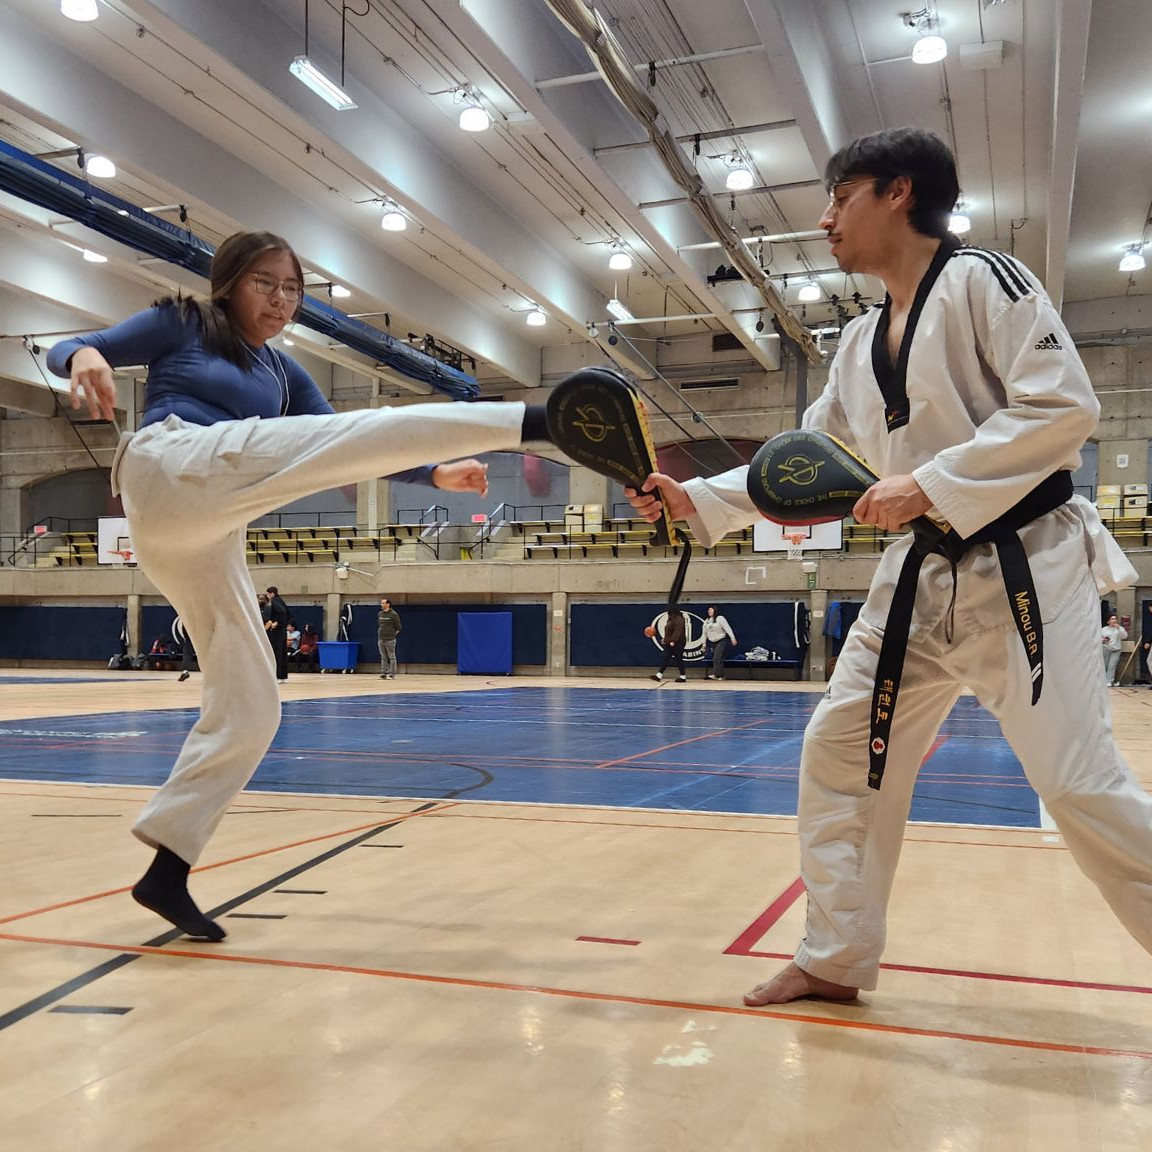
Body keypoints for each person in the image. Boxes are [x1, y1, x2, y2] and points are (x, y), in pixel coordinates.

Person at [625, 128, 1152, 1005]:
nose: (825, 217)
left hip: (1023, 563)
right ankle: (835, 955)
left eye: (840, 196)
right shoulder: (859, 340)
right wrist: (701, 500)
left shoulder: (988, 281)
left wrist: (933, 481)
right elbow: (809, 460)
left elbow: (1065, 407)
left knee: (1076, 784)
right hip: (916, 579)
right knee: (839, 755)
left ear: (898, 192)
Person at [49, 228, 555, 941]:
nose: (282, 300)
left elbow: (335, 439)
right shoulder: (184, 323)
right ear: (230, 282)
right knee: (336, 437)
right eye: (267, 284)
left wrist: (432, 473)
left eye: (292, 289)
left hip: (204, 526)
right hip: (169, 466)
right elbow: (61, 348)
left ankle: (167, 869)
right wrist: (90, 353)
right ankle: (537, 420)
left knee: (254, 704)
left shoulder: (285, 375)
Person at [651, 607, 687, 682]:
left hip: (678, 642)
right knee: (665, 657)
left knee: (678, 659)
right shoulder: (671, 619)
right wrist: (665, 639)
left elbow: (678, 631)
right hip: (670, 642)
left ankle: (683, 676)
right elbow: (669, 631)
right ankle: (659, 675)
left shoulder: (679, 619)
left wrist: (673, 640)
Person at [702, 605, 737, 680]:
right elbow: (704, 633)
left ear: (715, 611)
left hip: (721, 640)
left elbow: (727, 628)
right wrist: (704, 643)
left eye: (710, 610)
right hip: (712, 642)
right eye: (708, 610)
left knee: (716, 657)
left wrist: (732, 638)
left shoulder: (720, 618)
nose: (709, 612)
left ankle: (718, 675)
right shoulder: (707, 621)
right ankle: (719, 674)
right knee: (718, 658)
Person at [265, 585, 290, 681]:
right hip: (283, 630)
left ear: (272, 593)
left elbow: (282, 612)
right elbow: (288, 613)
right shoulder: (281, 600)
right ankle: (284, 676)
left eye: (268, 594)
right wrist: (285, 623)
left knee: (277, 652)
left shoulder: (275, 601)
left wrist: (277, 623)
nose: (267, 596)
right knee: (283, 652)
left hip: (278, 631)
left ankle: (278, 675)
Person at [377, 597, 402, 679]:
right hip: (381, 638)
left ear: (388, 604)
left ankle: (392, 673)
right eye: (381, 603)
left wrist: (392, 635)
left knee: (391, 656)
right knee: (383, 656)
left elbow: (398, 627)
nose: (381, 604)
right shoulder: (380, 614)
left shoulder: (393, 614)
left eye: (383, 603)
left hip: (390, 639)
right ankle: (383, 672)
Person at [1101, 613, 1127, 686]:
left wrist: (1119, 627)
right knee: (1105, 665)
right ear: (1108, 621)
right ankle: (1104, 680)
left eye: (1115, 619)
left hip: (1116, 650)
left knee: (1112, 666)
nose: (1114, 620)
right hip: (1106, 648)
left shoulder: (1119, 629)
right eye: (1112, 619)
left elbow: (1124, 636)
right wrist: (1103, 640)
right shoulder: (1104, 629)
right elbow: (1099, 638)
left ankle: (1109, 681)